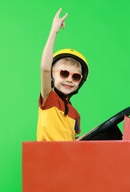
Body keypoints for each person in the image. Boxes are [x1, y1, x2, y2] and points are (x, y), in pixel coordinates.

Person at [37, 8, 89, 141]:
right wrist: (54, 31)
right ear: (53, 75)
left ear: (80, 82)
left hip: (65, 159)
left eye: (75, 76)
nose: (69, 80)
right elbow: (45, 68)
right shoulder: (49, 98)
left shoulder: (75, 114)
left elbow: (72, 142)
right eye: (64, 74)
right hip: (46, 159)